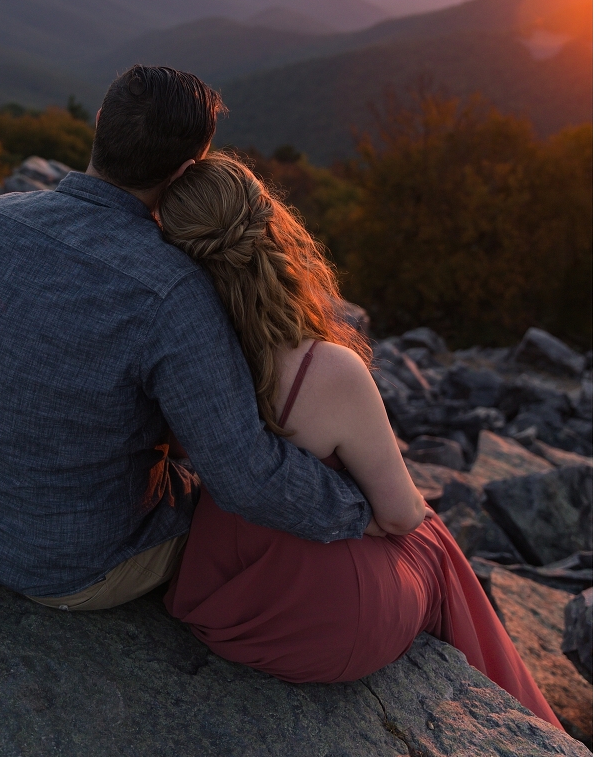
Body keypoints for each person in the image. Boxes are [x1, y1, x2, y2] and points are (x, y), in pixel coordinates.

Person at [0, 65, 375, 612]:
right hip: (77, 568)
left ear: (100, 123)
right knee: (230, 504)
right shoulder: (171, 289)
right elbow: (247, 480)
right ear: (189, 171)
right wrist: (360, 509)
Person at [159, 151, 561, 727]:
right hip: (332, 625)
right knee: (434, 542)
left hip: (223, 600)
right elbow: (398, 516)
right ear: (271, 231)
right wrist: (367, 514)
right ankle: (527, 727)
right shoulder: (326, 370)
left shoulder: (176, 355)